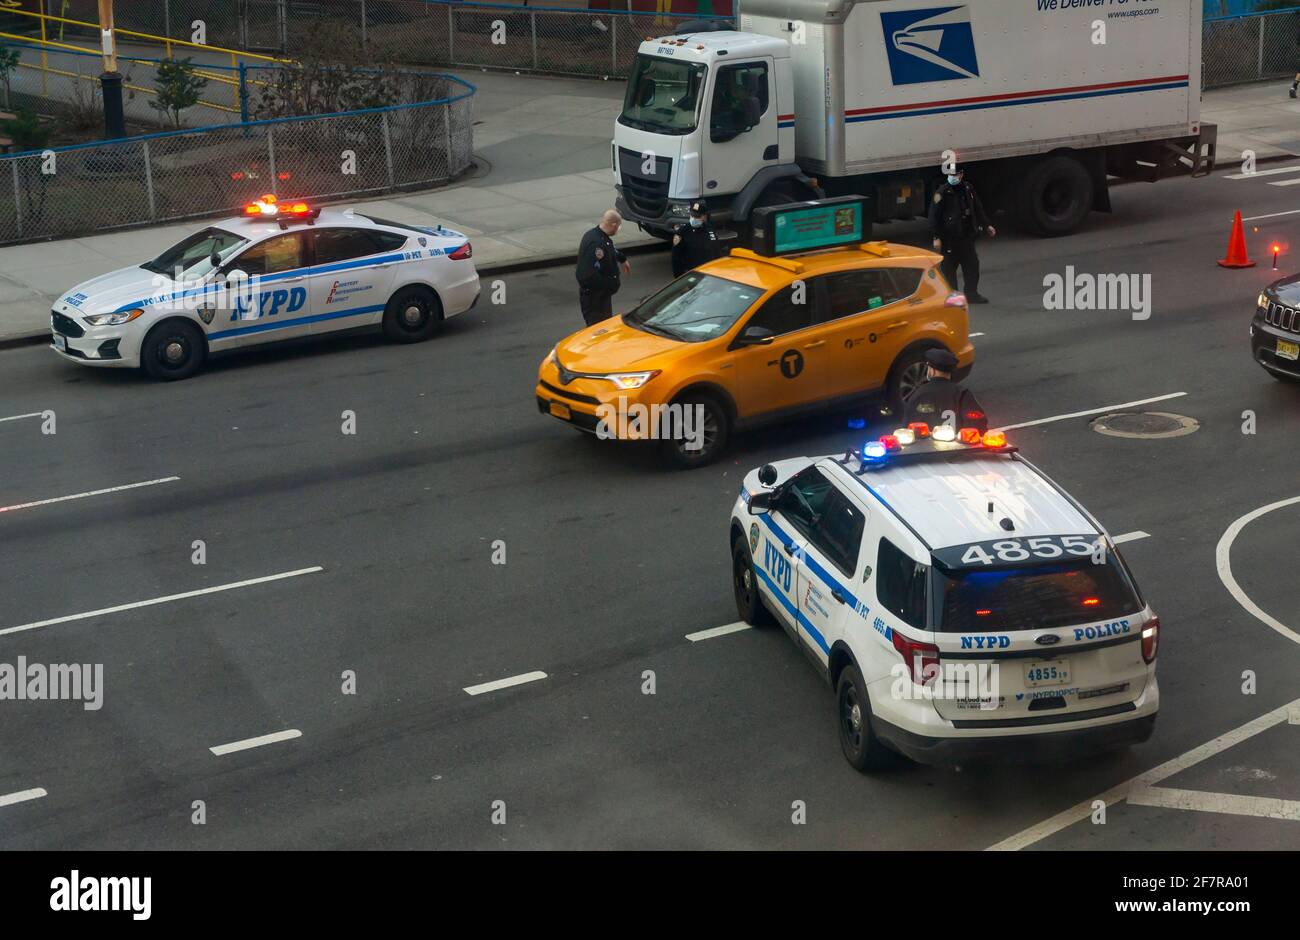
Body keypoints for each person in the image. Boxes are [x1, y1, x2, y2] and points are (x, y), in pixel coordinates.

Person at [928, 166, 995, 304]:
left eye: (956, 174)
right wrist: (936, 236)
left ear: (961, 174)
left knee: (972, 266)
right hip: (949, 239)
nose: (954, 176)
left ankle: (971, 294)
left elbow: (977, 207)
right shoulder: (941, 193)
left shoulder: (968, 189)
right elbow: (934, 216)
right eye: (951, 174)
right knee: (949, 269)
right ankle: (954, 297)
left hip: (966, 236)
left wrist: (987, 224)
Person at [903, 348, 988, 434]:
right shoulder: (962, 394)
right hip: (959, 446)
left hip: (926, 446)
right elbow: (978, 423)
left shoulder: (919, 394)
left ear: (932, 371)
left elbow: (907, 427)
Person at [576, 209, 631, 326]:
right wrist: (608, 285)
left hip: (601, 297)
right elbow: (586, 275)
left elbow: (610, 251)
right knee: (598, 330)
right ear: (614, 225)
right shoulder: (596, 244)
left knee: (605, 327)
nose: (618, 230)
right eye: (618, 227)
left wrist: (622, 258)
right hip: (595, 299)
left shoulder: (598, 236)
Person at [671, 201, 721, 277]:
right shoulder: (682, 232)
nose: (694, 218)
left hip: (710, 272)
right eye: (692, 215)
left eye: (697, 216)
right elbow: (676, 259)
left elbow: (716, 251)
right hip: (693, 274)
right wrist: (680, 278)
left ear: (704, 216)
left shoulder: (710, 229)